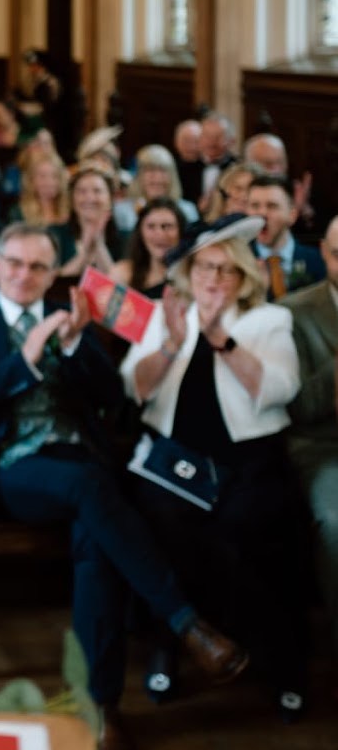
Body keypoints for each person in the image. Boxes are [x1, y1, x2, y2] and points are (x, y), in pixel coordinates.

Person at [0, 222, 250, 750]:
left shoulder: (68, 315)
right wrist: (26, 358)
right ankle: (187, 624)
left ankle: (98, 704)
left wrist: (77, 341)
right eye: (14, 263)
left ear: (53, 272)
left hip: (80, 459)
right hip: (14, 466)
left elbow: (113, 398)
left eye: (38, 266)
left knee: (95, 538)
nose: (24, 275)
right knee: (91, 490)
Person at [121, 214, 307, 720]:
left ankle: (279, 662)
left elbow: (279, 390)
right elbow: (134, 387)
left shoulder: (269, 320)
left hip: (248, 462)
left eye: (226, 270)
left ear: (244, 276)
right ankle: (171, 645)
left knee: (243, 529)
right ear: (190, 271)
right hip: (173, 463)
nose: (214, 279)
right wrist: (171, 344)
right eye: (205, 267)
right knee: (164, 526)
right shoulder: (165, 316)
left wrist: (222, 339)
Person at [280, 216, 338, 668]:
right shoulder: (295, 312)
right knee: (335, 524)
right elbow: (296, 407)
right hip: (323, 445)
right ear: (324, 253)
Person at [247, 174, 323, 300]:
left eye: (272, 206)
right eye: (255, 206)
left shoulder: (318, 260)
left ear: (292, 215)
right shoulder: (239, 261)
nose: (262, 213)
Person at [113, 144, 199, 236]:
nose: (157, 178)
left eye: (163, 171)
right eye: (150, 170)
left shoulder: (187, 210)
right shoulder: (121, 211)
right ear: (139, 176)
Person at [52, 165, 122, 278]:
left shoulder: (125, 237)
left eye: (97, 191)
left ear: (110, 199)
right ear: (72, 199)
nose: (90, 198)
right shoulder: (56, 234)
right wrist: (85, 251)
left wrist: (99, 244)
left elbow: (119, 287)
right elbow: (55, 282)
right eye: (82, 192)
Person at [111, 199, 185, 299]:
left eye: (167, 226)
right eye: (151, 227)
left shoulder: (192, 276)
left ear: (181, 232)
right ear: (140, 233)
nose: (159, 234)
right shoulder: (122, 273)